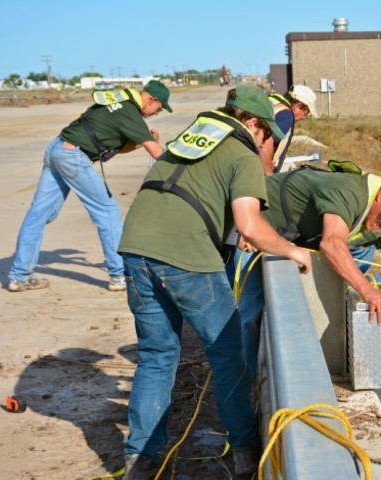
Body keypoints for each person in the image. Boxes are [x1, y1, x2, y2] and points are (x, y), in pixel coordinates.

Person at [117, 85, 311, 479]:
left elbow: (194, 193)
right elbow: (251, 226)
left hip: (136, 248)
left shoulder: (189, 139)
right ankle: (243, 450)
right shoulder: (242, 153)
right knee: (227, 355)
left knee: (156, 356)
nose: (267, 144)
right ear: (253, 124)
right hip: (185, 256)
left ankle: (140, 460)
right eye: (267, 136)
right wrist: (292, 251)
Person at [230, 166, 381, 378]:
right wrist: (369, 291)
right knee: (251, 311)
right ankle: (242, 380)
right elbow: (331, 244)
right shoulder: (348, 192)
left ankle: (329, 352)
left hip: (298, 237)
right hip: (256, 225)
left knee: (363, 250)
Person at [7, 80, 172, 293]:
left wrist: (142, 141)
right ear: (152, 99)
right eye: (159, 108)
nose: (156, 113)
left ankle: (19, 276)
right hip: (72, 156)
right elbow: (157, 153)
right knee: (108, 210)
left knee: (39, 214)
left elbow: (117, 147)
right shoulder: (130, 112)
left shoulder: (119, 103)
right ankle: (119, 276)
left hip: (58, 148)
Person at [259, 84, 317, 174]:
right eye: (305, 113)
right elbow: (266, 143)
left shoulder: (273, 101)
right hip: (257, 168)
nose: (304, 117)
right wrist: (269, 173)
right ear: (298, 106)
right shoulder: (286, 116)